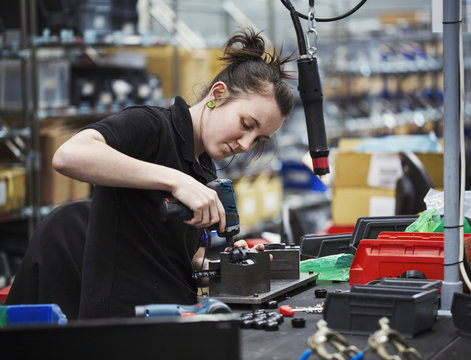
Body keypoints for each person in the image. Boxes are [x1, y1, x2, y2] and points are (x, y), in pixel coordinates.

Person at [7, 28, 295, 319]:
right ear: (217, 95)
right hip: (124, 323)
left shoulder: (203, 166)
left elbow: (182, 257)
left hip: (176, 315)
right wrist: (176, 180)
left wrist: (223, 267)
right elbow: (69, 155)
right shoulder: (153, 126)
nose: (245, 145)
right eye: (246, 124)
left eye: (258, 139)